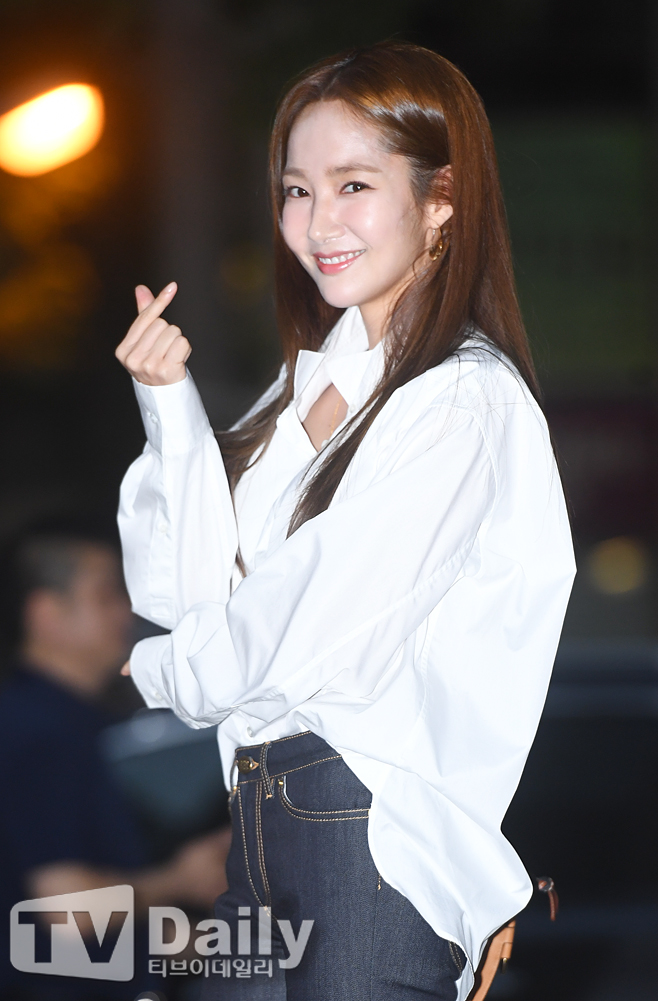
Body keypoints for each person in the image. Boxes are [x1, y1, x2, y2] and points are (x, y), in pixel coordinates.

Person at [115, 41, 576, 1001]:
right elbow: (185, 593)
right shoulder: (305, 387)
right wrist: (169, 407)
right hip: (260, 812)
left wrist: (166, 671)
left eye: (353, 185)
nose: (316, 222)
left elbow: (313, 616)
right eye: (297, 190)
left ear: (441, 198)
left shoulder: (461, 401)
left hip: (365, 826)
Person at [0, 527, 231, 1001]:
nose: (126, 612)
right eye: (107, 595)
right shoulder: (36, 732)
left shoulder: (70, 724)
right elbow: (69, 911)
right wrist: (182, 879)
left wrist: (239, 946)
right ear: (47, 614)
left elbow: (112, 933)